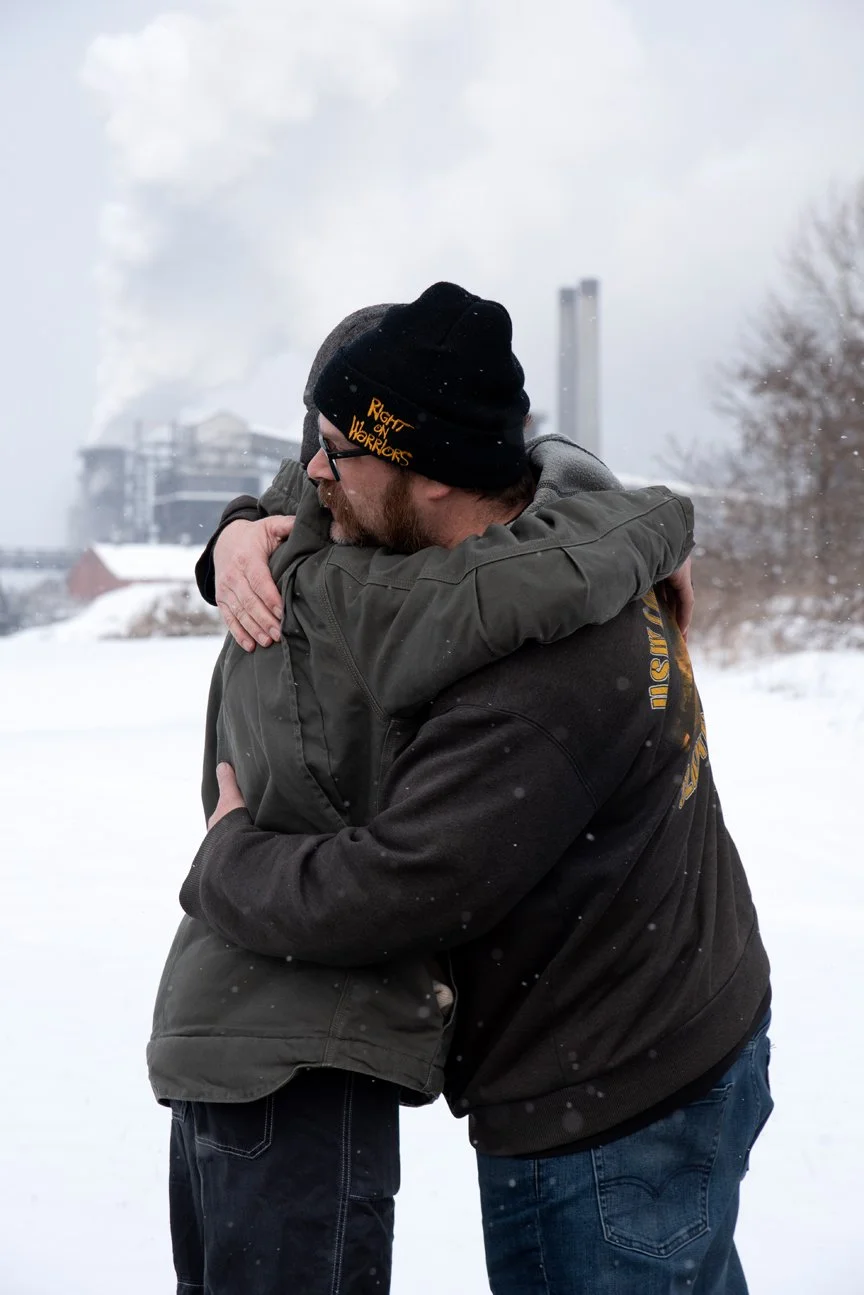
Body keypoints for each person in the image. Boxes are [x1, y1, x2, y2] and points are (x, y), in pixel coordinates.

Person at [150, 284, 698, 1295]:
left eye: (338, 449)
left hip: (583, 1066)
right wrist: (651, 527)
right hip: (295, 1035)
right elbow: (538, 549)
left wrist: (241, 523)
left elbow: (404, 881)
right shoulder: (346, 568)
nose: (312, 475)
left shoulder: (492, 645)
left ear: (431, 470)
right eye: (311, 442)